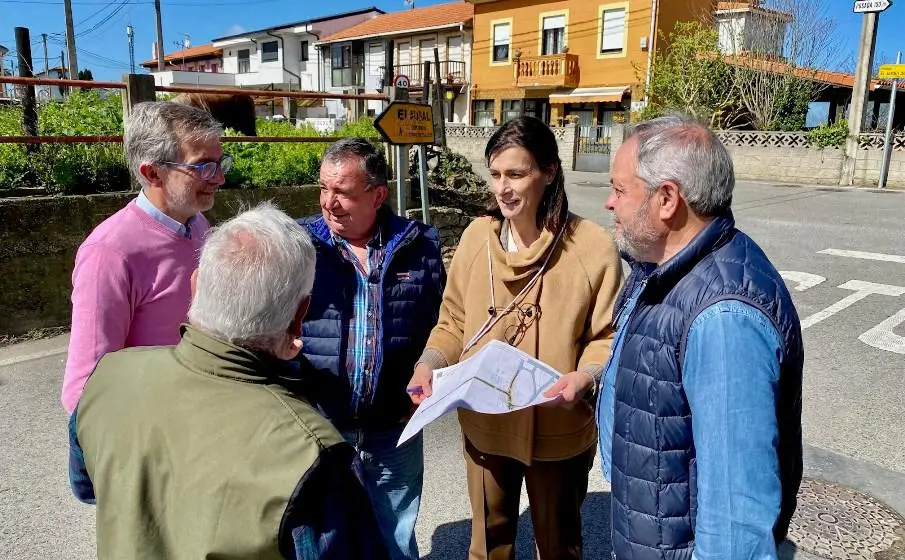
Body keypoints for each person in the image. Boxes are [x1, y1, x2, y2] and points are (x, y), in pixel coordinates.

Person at [68, 203, 389, 560]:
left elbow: (88, 486)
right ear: (300, 316)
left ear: (196, 286)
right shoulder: (314, 452)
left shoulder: (108, 377)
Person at [407, 116, 624, 560]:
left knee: (559, 546)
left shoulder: (591, 246)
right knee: (488, 546)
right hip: (486, 425)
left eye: (517, 174)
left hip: (560, 426)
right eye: (496, 174)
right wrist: (428, 362)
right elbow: (451, 320)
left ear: (547, 172)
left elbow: (608, 335)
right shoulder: (475, 239)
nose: (503, 188)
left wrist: (586, 377)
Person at [598, 115, 804, 558]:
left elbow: (736, 524)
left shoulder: (724, 318)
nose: (608, 204)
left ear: (667, 198)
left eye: (618, 189)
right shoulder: (661, 267)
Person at [296, 138, 445, 560]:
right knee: (323, 539)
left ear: (378, 195)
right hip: (320, 425)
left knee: (394, 536)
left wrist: (429, 372)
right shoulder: (299, 245)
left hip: (393, 426)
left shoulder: (421, 245)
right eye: (323, 189)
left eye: (342, 191)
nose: (329, 202)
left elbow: (443, 325)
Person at [61, 101, 232, 414]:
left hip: (196, 416)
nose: (219, 178)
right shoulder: (109, 253)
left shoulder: (197, 224)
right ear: (153, 172)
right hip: (152, 433)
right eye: (204, 166)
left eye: (222, 163)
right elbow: (86, 387)